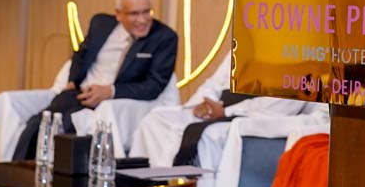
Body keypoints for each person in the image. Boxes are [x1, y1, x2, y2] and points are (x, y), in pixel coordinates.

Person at [10, 0, 177, 160]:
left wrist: (110, 91)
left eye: (147, 12)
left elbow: (153, 86)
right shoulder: (101, 24)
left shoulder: (164, 38)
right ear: (118, 14)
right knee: (36, 125)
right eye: (134, 14)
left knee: (66, 130)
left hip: (111, 103)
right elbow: (80, 53)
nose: (142, 20)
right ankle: (16, 171)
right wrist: (72, 81)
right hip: (78, 94)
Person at [130, 55, 310, 171]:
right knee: (156, 120)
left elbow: (280, 105)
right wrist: (203, 104)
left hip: (248, 117)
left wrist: (225, 112)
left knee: (207, 135)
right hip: (215, 108)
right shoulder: (245, 45)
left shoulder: (299, 54)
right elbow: (214, 83)